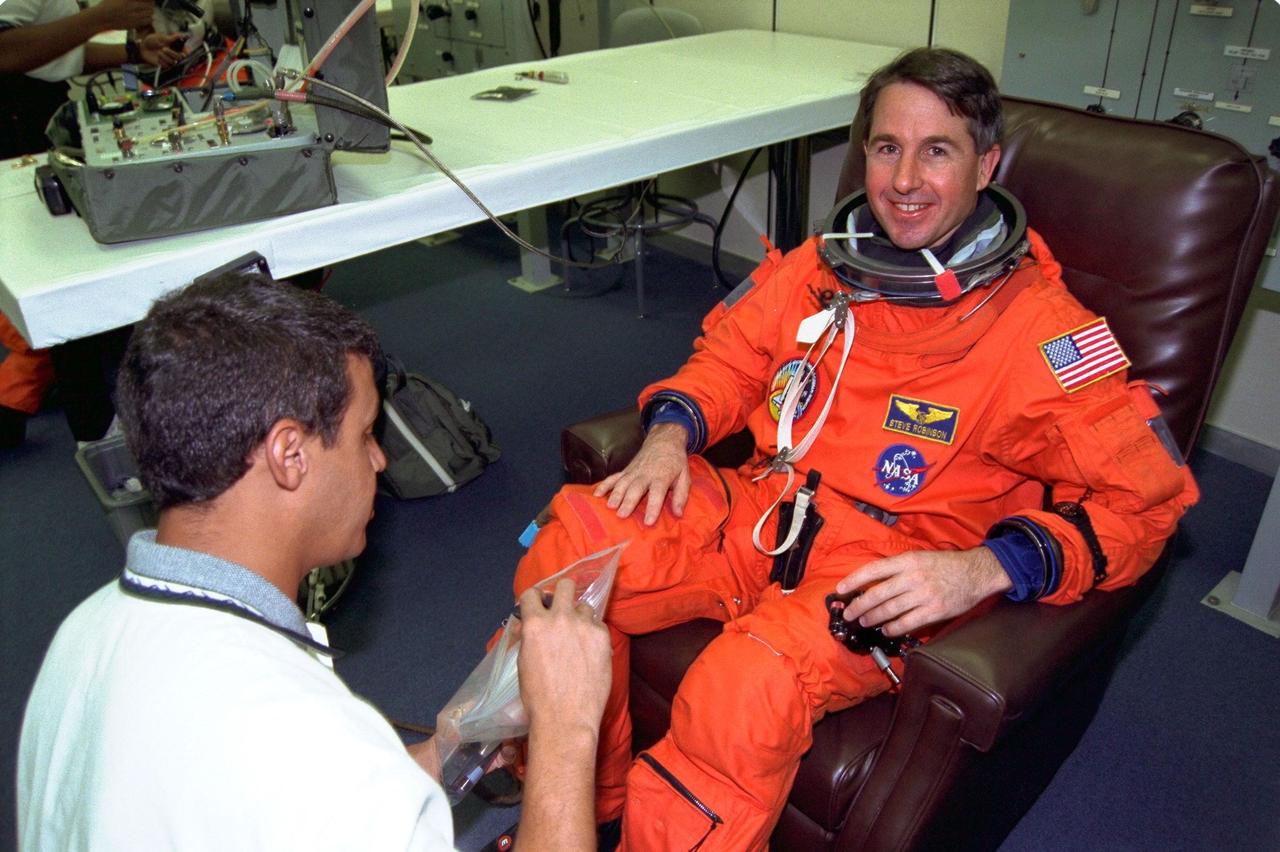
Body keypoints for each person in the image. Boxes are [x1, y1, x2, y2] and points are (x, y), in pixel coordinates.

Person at [510, 47, 1199, 850]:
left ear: (986, 166)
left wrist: (984, 568)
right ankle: (571, 812)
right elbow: (730, 358)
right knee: (570, 554)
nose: (904, 179)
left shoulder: (1042, 334)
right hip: (769, 506)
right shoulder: (820, 266)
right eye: (886, 147)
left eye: (937, 151)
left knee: (743, 690)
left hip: (890, 569)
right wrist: (669, 434)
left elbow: (1144, 505)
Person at [17, 273, 612, 850]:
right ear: (289, 455)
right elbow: (317, 782)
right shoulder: (308, 744)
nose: (379, 460)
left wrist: (442, 751)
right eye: (365, 434)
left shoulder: (86, 630)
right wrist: (566, 729)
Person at [0, 0, 186, 448]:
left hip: (34, 118)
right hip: (14, 132)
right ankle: (101, 438)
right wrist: (101, 18)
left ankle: (105, 433)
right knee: (66, 287)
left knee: (76, 282)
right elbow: (5, 52)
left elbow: (48, 53)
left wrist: (131, 51)